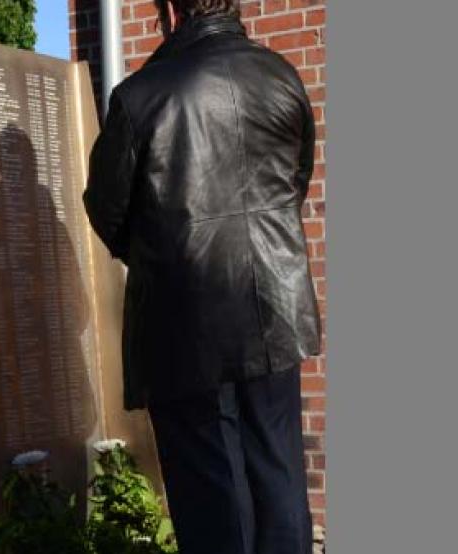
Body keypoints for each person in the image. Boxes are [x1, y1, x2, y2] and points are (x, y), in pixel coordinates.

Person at [82, 1, 322, 553]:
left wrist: (160, 255)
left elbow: (107, 209)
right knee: (279, 473)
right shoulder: (281, 76)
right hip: (274, 316)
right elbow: (293, 185)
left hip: (183, 321)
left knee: (211, 492)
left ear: (170, 10)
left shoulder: (140, 97)